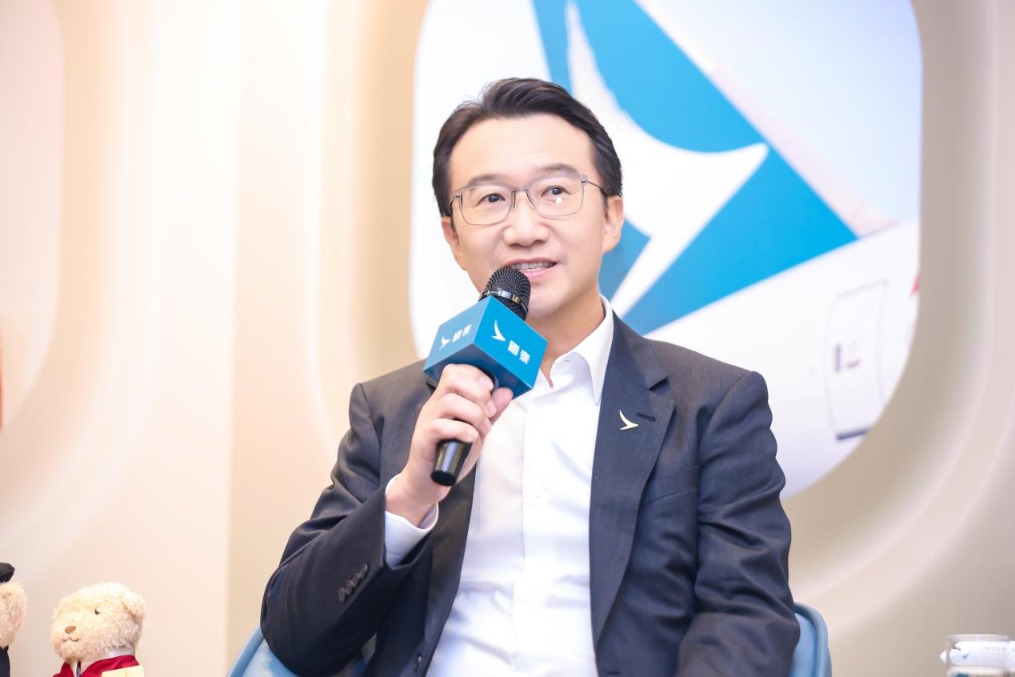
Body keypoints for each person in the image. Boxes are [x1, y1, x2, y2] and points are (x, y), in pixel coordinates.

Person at [261, 77, 799, 676]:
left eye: (555, 192)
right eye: (491, 199)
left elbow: (747, 617)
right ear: (453, 238)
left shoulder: (712, 404)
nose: (523, 229)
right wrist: (410, 496)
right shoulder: (394, 409)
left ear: (611, 218)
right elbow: (293, 636)